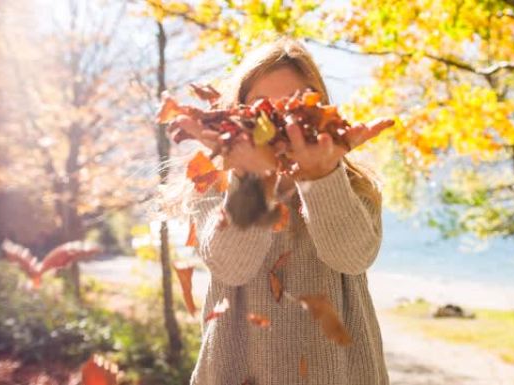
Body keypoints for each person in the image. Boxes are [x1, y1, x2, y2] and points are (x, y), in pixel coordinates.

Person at [168, 36, 392, 385]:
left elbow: (352, 257)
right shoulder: (217, 186)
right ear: (238, 116)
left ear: (321, 110)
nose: (284, 125)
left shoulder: (354, 185)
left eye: (298, 107)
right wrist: (254, 179)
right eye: (263, 110)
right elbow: (231, 266)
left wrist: (322, 179)